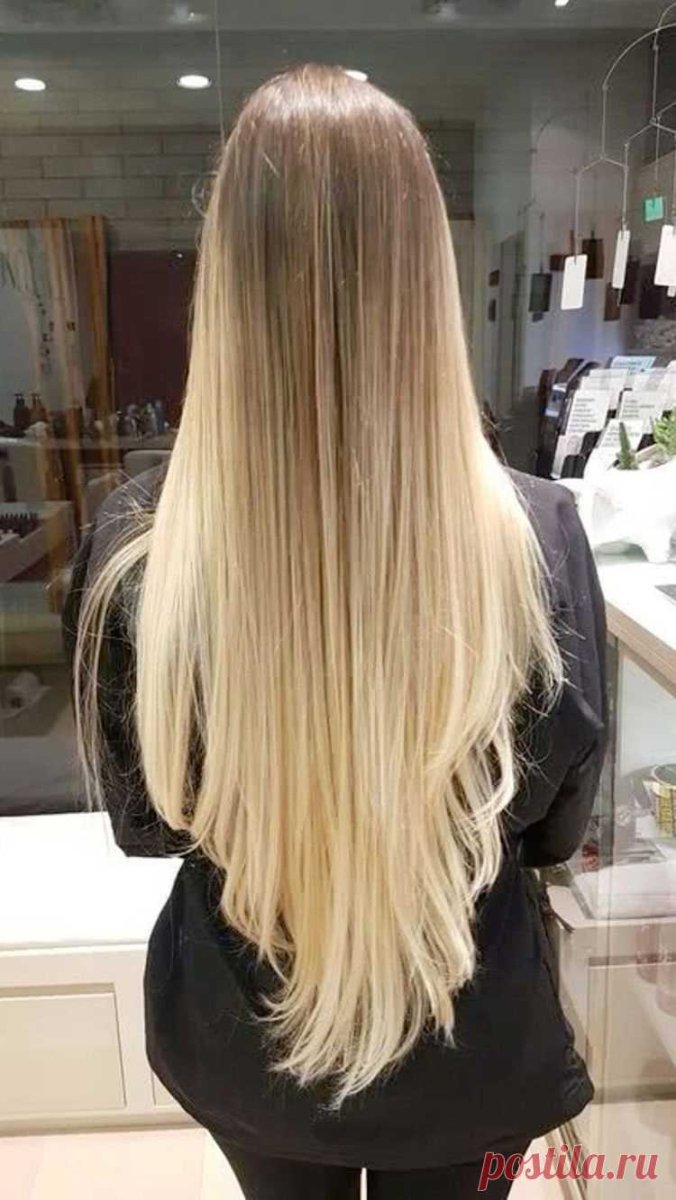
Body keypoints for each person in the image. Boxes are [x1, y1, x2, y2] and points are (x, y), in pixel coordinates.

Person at [64, 65, 607, 1200]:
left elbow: (145, 823)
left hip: (247, 1035)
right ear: (426, 278)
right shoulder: (537, 535)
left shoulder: (139, 544)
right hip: (468, 1039)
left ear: (228, 280)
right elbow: (554, 823)